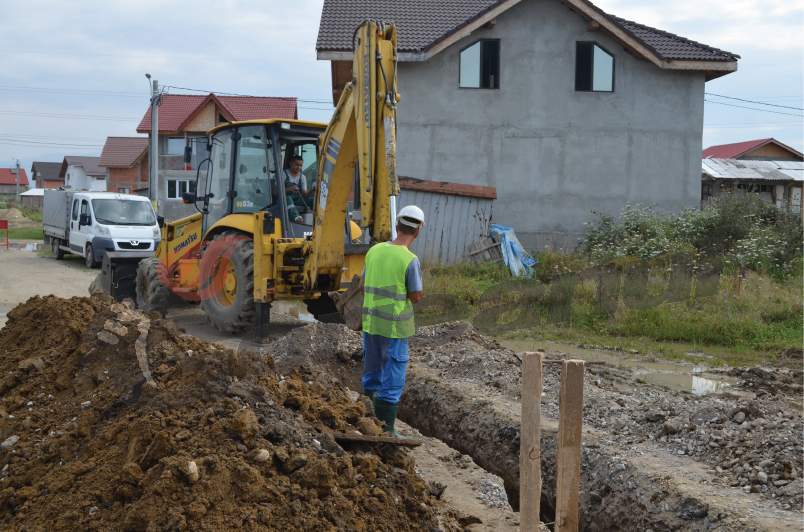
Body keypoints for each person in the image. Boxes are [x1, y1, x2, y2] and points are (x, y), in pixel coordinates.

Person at [359, 205, 425, 438]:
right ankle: (386, 428)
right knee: (393, 375)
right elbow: (416, 297)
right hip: (396, 327)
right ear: (417, 232)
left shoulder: (374, 251)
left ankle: (367, 423)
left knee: (372, 371)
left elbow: (361, 286)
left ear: (396, 226)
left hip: (371, 324)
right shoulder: (410, 260)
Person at [274, 155, 315, 223]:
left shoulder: (302, 177)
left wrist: (311, 192)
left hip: (296, 201)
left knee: (313, 200)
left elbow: (303, 195)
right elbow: (276, 193)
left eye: (300, 165)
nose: (299, 167)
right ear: (291, 163)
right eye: (297, 164)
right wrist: (289, 189)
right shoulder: (282, 174)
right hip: (282, 201)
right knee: (289, 198)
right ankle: (296, 217)